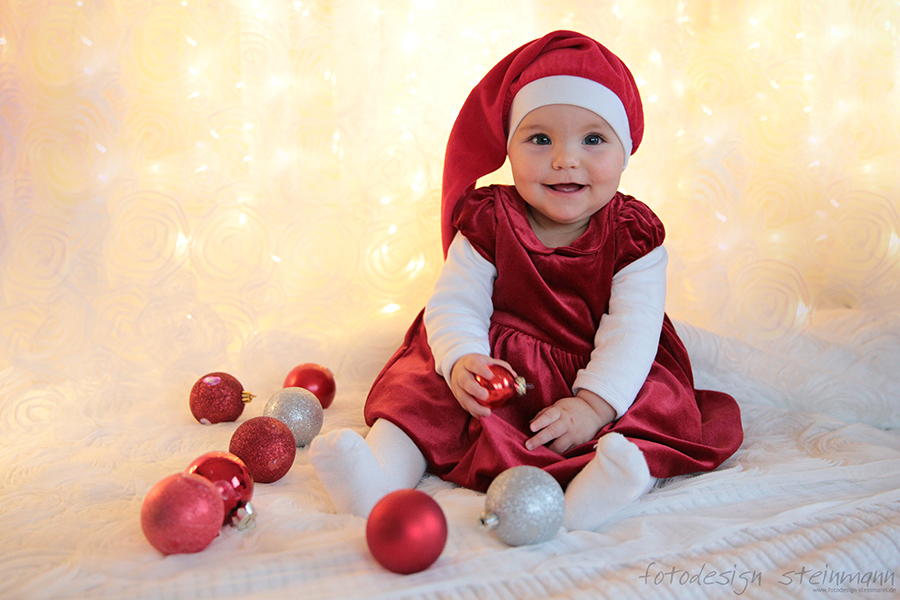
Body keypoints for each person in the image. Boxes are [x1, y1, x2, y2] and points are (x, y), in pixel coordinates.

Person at [311, 30, 743, 531]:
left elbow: (633, 330)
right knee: (420, 394)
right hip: (500, 365)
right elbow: (456, 302)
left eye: (593, 140)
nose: (565, 159)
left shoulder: (632, 235)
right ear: (509, 148)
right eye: (540, 139)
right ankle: (377, 477)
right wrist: (462, 359)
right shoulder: (490, 219)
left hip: (600, 365)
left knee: (651, 409)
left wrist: (593, 405)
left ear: (625, 151)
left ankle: (604, 487)